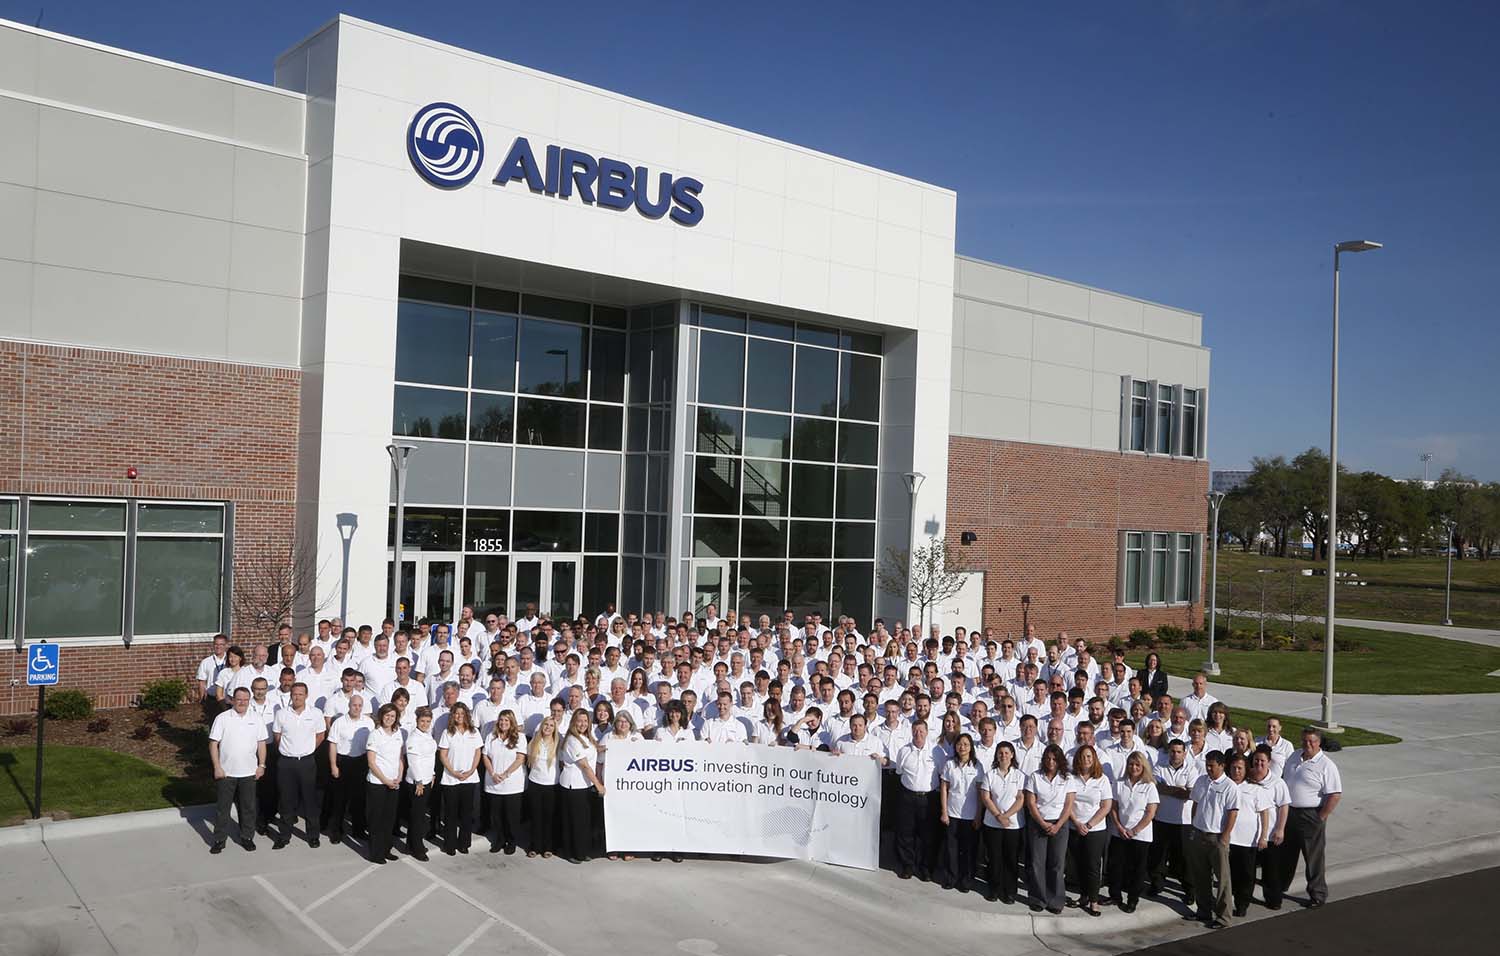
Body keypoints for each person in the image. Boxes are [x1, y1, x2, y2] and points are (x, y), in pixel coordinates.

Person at [1277, 726, 1343, 908]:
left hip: (1311, 815)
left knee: (1313, 858)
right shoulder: (1294, 756)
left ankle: (1317, 895)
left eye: (1312, 741)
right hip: (1289, 813)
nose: (1308, 744)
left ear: (1319, 742)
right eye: (1305, 740)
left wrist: (1320, 817)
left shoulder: (1326, 765)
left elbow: (1335, 795)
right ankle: (1280, 886)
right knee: (1286, 854)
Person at [207, 687, 267, 854]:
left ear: (249, 700)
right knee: (223, 809)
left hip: (249, 773)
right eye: (239, 699)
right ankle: (219, 840)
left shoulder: (256, 718)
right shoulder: (222, 718)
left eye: (245, 699)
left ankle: (247, 837)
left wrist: (262, 765)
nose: (242, 702)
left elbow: (261, 743)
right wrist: (217, 767)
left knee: (248, 808)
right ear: (232, 700)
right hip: (226, 773)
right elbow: (213, 744)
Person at [1185, 750, 1239, 928]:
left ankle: (1223, 917)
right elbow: (1196, 804)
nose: (1208, 769)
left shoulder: (1230, 787)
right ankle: (1203, 911)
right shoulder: (1201, 781)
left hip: (1217, 838)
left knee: (1222, 880)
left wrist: (1225, 836)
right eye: (1207, 765)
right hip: (1199, 834)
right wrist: (1193, 826)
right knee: (1200, 876)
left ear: (1222, 766)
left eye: (1212, 766)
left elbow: (1232, 813)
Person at [1024, 744, 1077, 914]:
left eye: (1054, 759)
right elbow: (1031, 803)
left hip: (1060, 824)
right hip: (1038, 823)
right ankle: (1038, 899)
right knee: (1037, 863)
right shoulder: (1035, 776)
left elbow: (1069, 805)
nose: (1051, 761)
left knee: (1057, 864)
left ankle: (1055, 901)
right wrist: (1042, 823)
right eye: (1047, 758)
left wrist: (1058, 825)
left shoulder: (1067, 778)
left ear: (1060, 760)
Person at [272, 682, 326, 849]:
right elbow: (277, 736)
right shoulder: (281, 714)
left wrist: (308, 750)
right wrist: (289, 751)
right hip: (286, 763)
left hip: (307, 762)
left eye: (300, 694)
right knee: (286, 800)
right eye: (294, 694)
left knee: (310, 800)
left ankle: (313, 836)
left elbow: (321, 735)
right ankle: (284, 836)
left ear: (306, 696)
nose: (297, 697)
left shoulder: (316, 713)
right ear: (291, 695)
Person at [1106, 750, 1159, 912]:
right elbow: (1113, 807)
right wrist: (1119, 827)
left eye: (1137, 765)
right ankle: (1115, 896)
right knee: (1115, 866)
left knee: (1137, 869)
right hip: (1119, 832)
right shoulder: (1119, 783)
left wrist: (1134, 830)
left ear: (1143, 767)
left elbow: (1150, 813)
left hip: (1140, 835)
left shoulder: (1149, 786)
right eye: (1131, 764)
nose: (1134, 767)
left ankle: (1132, 900)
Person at [977, 740, 1025, 904]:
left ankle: (1010, 891)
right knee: (994, 857)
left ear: (1012, 755)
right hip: (992, 824)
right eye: (1000, 753)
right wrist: (998, 816)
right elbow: (986, 797)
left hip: (1014, 825)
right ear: (996, 755)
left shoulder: (1019, 775)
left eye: (1006, 753)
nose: (1003, 756)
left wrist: (1007, 816)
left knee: (1011, 859)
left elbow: (1020, 798)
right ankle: (994, 889)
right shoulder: (990, 775)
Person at [892, 719, 940, 881]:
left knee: (928, 835)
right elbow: (899, 771)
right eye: (915, 731)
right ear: (911, 732)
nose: (918, 734)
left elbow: (941, 773)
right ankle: (908, 865)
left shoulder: (936, 751)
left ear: (927, 732)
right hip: (907, 797)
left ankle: (926, 868)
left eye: (921, 731)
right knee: (906, 833)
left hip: (929, 798)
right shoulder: (904, 751)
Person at [1068, 744, 1113, 917]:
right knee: (1078, 864)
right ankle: (1083, 896)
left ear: (1094, 759)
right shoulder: (1071, 778)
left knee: (1093, 866)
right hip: (1074, 827)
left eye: (1089, 756)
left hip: (1095, 830)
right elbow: (1067, 803)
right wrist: (1077, 823)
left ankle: (1094, 900)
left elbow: (1106, 806)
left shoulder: (1102, 779)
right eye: (1083, 756)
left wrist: (1088, 825)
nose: (1086, 760)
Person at [1225, 752, 1272, 917]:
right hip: (1227, 838)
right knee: (1229, 874)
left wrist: (1263, 836)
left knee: (1246, 875)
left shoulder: (1255, 789)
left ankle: (1242, 904)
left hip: (1248, 840)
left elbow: (1264, 813)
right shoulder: (1225, 786)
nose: (1236, 771)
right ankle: (1227, 902)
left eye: (1240, 768)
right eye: (1234, 768)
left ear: (1246, 770)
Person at [325, 692, 373, 844]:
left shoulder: (368, 723)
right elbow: (332, 744)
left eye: (359, 705)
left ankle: (359, 830)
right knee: (339, 799)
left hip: (361, 762)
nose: (357, 708)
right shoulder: (339, 722)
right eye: (354, 705)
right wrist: (333, 765)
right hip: (343, 762)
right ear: (349, 705)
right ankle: (336, 831)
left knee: (359, 799)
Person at [559, 708, 605, 864]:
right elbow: (584, 765)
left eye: (585, 721)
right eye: (579, 721)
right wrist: (598, 785)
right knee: (575, 821)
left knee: (583, 821)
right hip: (573, 786)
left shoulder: (586, 737)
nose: (583, 724)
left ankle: (582, 851)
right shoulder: (572, 740)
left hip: (584, 785)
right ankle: (572, 852)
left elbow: (593, 750)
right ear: (573, 722)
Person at [938, 732, 982, 893]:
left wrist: (978, 815)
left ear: (971, 747)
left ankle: (966, 880)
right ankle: (951, 878)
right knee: (952, 848)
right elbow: (944, 788)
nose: (962, 747)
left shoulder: (977, 766)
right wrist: (944, 811)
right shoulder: (950, 764)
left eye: (965, 744)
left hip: (970, 815)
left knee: (968, 850)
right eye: (959, 744)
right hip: (952, 813)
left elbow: (980, 793)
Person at [437, 702, 482, 855]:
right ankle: (449, 844)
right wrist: (454, 772)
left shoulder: (474, 732)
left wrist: (471, 771)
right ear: (452, 716)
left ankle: (464, 844)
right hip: (451, 779)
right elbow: (443, 755)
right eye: (456, 713)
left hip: (469, 778)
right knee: (450, 813)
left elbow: (478, 752)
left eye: (462, 713)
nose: (459, 716)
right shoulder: (447, 733)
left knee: (466, 813)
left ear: (467, 715)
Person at [1250, 746, 1292, 909]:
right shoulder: (1247, 779)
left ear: (1269, 762)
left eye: (1262, 761)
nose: (1259, 763)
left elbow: (1284, 806)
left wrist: (1280, 829)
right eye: (1256, 760)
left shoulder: (1277, 782)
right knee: (1248, 870)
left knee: (1271, 871)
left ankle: (1273, 900)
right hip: (1249, 836)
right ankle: (1245, 898)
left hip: (1270, 835)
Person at [481, 710, 526, 855]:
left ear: (512, 722)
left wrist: (506, 774)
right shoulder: (491, 736)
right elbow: (485, 756)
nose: (503, 723)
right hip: (493, 783)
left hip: (512, 784)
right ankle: (499, 840)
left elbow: (520, 758)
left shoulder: (520, 737)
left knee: (511, 816)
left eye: (507, 720)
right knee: (496, 816)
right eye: (501, 720)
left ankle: (511, 841)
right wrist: (493, 773)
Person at [364, 703, 405, 864]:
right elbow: (371, 762)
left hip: (394, 783)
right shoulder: (375, 734)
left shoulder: (397, 732)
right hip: (378, 784)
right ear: (381, 716)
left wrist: (399, 776)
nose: (389, 718)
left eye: (393, 716)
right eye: (387, 715)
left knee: (389, 819)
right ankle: (376, 853)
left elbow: (400, 757)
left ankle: (386, 849)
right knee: (377, 820)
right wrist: (385, 780)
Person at [403, 706, 437, 861]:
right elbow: (413, 762)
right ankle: (417, 849)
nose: (425, 724)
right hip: (417, 783)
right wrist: (419, 781)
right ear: (417, 721)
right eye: (422, 721)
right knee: (418, 817)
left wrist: (433, 774)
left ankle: (410, 845)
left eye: (428, 721)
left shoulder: (427, 736)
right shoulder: (413, 738)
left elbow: (430, 758)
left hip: (427, 779)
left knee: (418, 814)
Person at [525, 714, 562, 858]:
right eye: (546, 724)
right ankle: (535, 846)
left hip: (551, 785)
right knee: (536, 816)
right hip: (535, 783)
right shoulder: (534, 742)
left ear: (555, 729)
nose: (548, 727)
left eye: (551, 726)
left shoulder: (559, 744)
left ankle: (548, 846)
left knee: (549, 817)